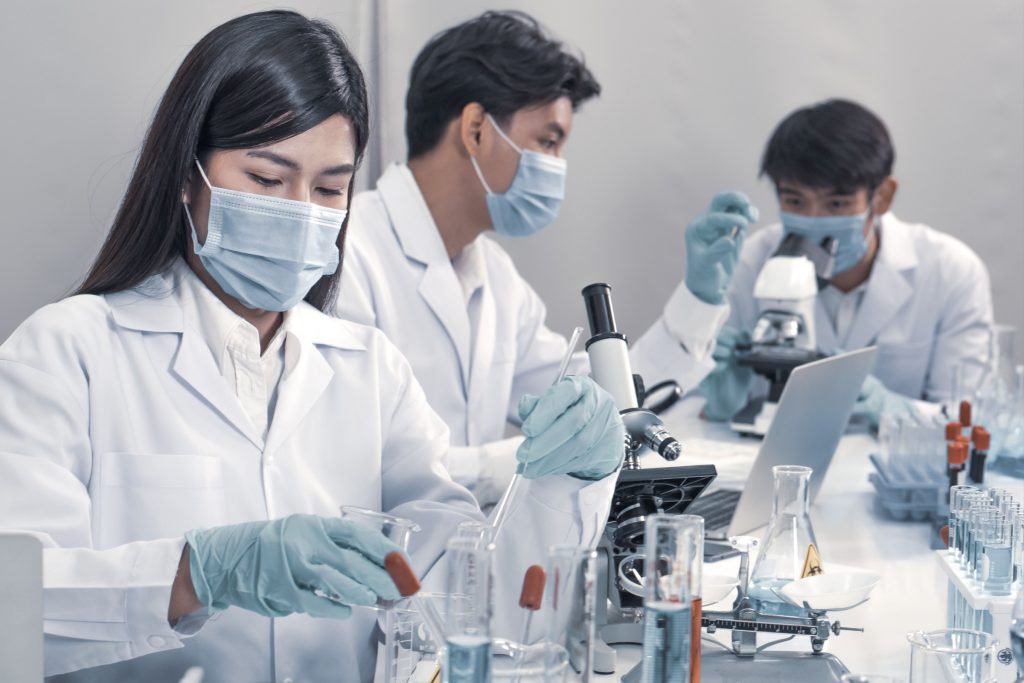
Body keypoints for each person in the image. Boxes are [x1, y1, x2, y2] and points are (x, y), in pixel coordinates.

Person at [0, 12, 626, 682]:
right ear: (187, 176)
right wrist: (196, 572)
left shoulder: (372, 371)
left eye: (329, 188)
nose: (301, 210)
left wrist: (568, 482)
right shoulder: (68, 353)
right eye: (268, 180)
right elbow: (11, 608)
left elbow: (473, 613)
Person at [336, 11, 758, 504]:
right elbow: (365, 459)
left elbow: (606, 402)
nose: (556, 167)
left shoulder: (494, 276)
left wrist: (699, 301)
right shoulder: (351, 254)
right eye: (548, 141)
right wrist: (526, 461)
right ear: (475, 129)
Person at [700, 99, 994, 425]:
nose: (814, 220)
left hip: (892, 471)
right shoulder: (751, 262)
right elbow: (691, 408)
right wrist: (719, 406)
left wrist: (896, 411)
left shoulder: (950, 270)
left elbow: (970, 420)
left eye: (837, 203)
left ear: (882, 197)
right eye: (794, 200)